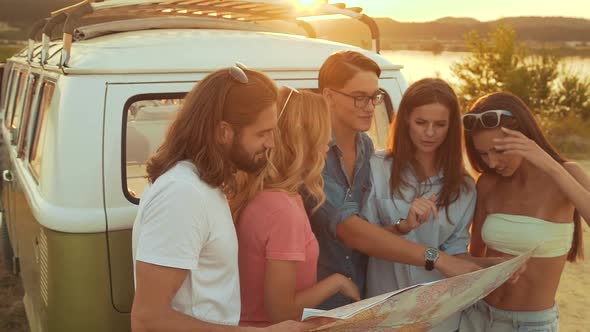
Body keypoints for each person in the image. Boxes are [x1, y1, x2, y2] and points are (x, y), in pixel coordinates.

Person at [131, 66, 324, 332]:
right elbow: (148, 319)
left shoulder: (204, 186)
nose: (271, 143)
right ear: (224, 132)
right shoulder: (183, 194)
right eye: (262, 133)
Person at [305, 50, 481, 309]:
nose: (369, 107)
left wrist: (401, 227)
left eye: (374, 97)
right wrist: (436, 257)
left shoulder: (365, 148)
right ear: (329, 96)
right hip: (322, 303)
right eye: (359, 98)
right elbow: (351, 230)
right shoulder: (311, 154)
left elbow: (374, 233)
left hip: (371, 308)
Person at [459, 92, 588, 332]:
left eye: (499, 150)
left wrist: (549, 165)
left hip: (530, 325)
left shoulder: (567, 173)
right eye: (484, 154)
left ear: (524, 137)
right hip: (476, 316)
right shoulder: (488, 182)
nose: (492, 162)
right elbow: (474, 255)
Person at [233, 88, 360, 327]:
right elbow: (281, 312)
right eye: (324, 134)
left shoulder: (263, 195)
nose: (327, 145)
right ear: (305, 141)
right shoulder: (282, 210)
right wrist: (337, 282)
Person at [362, 78, 477, 331]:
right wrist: (402, 226)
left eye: (440, 124)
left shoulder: (464, 187)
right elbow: (363, 240)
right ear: (405, 120)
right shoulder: (376, 168)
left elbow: (456, 251)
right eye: (421, 122)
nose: (429, 133)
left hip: (440, 319)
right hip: (384, 317)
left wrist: (492, 267)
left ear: (451, 128)